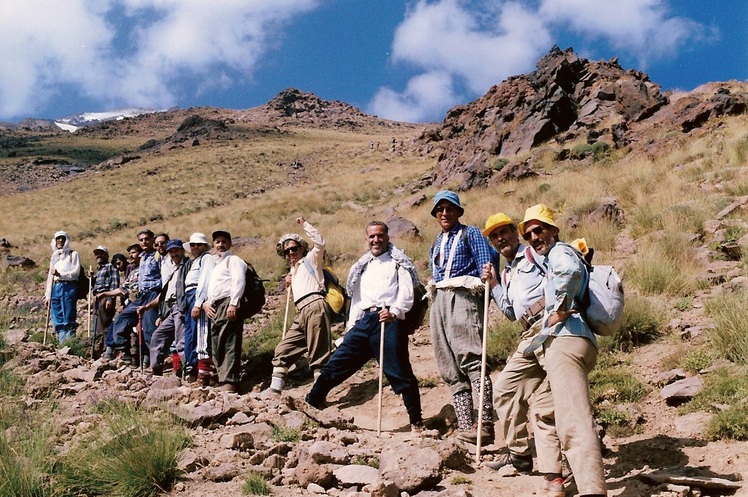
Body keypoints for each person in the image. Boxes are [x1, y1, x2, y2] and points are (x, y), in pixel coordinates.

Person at [519, 204, 606, 497]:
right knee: (544, 409)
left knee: (573, 419)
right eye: (528, 233)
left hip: (567, 341)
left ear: (553, 229)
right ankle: (554, 481)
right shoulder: (554, 256)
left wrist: (559, 307)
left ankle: (593, 490)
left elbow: (569, 272)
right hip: (569, 342)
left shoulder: (559, 252)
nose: (533, 236)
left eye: (538, 229)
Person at [306, 221, 424, 432]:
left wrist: (395, 312)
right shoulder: (362, 266)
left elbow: (406, 294)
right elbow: (357, 299)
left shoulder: (399, 263)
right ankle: (311, 403)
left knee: (399, 370)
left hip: (388, 319)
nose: (376, 240)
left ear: (387, 238)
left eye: (380, 236)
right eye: (372, 237)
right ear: (366, 239)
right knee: (338, 361)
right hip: (365, 321)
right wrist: (351, 326)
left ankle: (416, 422)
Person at [480, 213, 566, 493]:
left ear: (515, 233)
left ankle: (586, 444)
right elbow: (509, 312)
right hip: (528, 334)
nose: (500, 238)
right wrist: (494, 285)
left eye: (504, 232)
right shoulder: (506, 271)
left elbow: (560, 272)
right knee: (504, 388)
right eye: (494, 236)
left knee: (563, 391)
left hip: (551, 326)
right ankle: (519, 454)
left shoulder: (533, 253)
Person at [428, 190, 499, 444]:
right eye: (440, 210)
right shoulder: (435, 243)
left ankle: (485, 422)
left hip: (463, 296)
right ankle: (466, 426)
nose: (444, 213)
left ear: (459, 212)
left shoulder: (472, 234)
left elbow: (485, 266)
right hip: (439, 300)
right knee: (449, 365)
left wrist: (487, 279)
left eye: (449, 209)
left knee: (471, 357)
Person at [266, 216, 332, 394]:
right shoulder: (292, 271)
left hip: (315, 305)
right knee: (282, 349)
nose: (290, 253)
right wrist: (289, 281)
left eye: (294, 248)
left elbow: (320, 243)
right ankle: (274, 390)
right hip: (301, 311)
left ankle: (319, 393)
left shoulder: (311, 259)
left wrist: (305, 225)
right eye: (286, 251)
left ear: (302, 248)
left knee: (318, 353)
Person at [202, 230, 247, 392]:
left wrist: (234, 303)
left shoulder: (233, 260)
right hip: (215, 306)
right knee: (217, 342)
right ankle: (222, 378)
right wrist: (207, 303)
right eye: (217, 242)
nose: (220, 245)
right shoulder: (216, 265)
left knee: (229, 341)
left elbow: (238, 281)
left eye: (223, 241)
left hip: (228, 302)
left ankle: (230, 381)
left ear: (230, 244)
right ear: (213, 245)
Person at [111, 229, 162, 366]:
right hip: (141, 296)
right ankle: (125, 352)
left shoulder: (158, 256)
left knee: (149, 328)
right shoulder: (143, 258)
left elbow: (164, 275)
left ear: (152, 239)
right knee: (121, 319)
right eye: (141, 240)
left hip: (153, 294)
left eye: (147, 239)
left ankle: (153, 361)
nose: (144, 242)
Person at [146, 239, 190, 375]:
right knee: (158, 336)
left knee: (180, 341)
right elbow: (165, 294)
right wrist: (153, 309)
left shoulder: (188, 265)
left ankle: (187, 370)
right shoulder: (172, 268)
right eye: (171, 251)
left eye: (176, 250)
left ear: (182, 250)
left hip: (182, 306)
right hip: (171, 308)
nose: (174, 254)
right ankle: (156, 367)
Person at [183, 233, 216, 383]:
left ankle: (204, 374)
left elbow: (204, 281)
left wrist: (198, 302)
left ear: (204, 246)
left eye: (198, 244)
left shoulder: (206, 259)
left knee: (200, 335)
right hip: (189, 295)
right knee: (190, 335)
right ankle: (196, 368)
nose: (195, 247)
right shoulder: (194, 262)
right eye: (193, 245)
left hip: (197, 295)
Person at [101, 244, 142, 360]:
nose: (118, 267)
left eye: (119, 263)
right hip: (131, 302)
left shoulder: (131, 268)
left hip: (135, 302)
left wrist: (124, 304)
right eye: (115, 265)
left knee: (118, 322)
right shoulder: (129, 270)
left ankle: (116, 351)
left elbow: (128, 289)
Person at [44, 230, 81, 344]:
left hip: (68, 286)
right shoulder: (55, 256)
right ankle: (62, 343)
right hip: (56, 286)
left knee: (68, 314)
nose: (60, 241)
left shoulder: (73, 254)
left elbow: (75, 273)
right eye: (57, 239)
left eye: (62, 239)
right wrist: (48, 295)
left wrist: (61, 274)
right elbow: (50, 276)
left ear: (66, 241)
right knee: (57, 315)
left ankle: (70, 342)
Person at [90, 246, 120, 356]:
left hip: (105, 297)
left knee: (105, 323)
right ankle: (98, 348)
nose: (98, 255)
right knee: (98, 324)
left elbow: (114, 283)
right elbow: (95, 285)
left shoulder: (110, 267)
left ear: (106, 255)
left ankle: (107, 349)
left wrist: (110, 299)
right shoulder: (99, 270)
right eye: (97, 254)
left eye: (101, 253)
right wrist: (92, 278)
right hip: (97, 298)